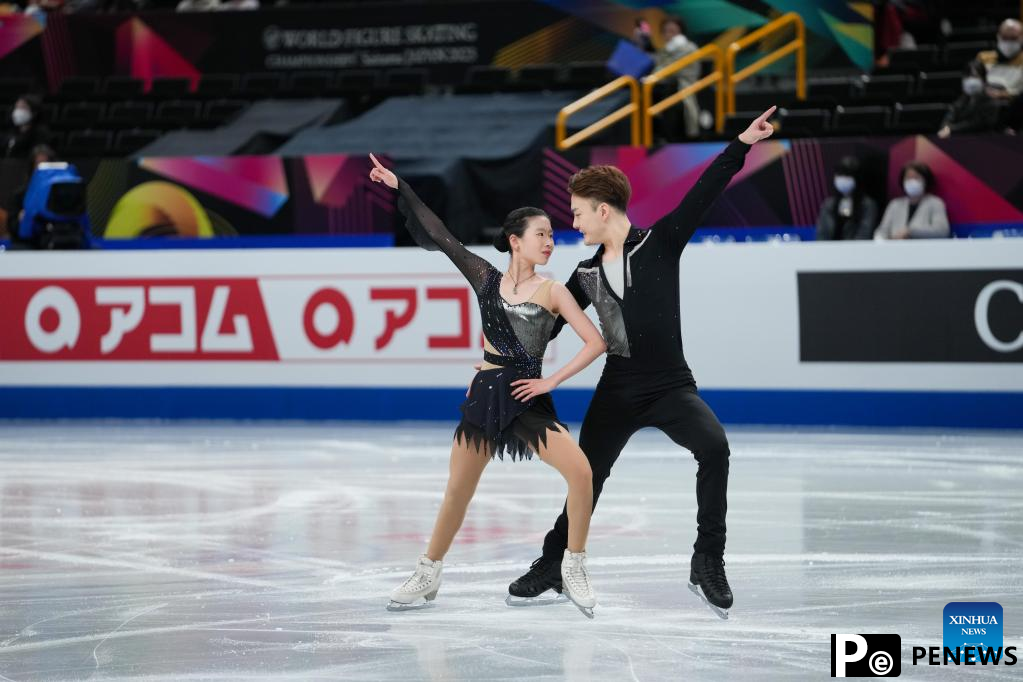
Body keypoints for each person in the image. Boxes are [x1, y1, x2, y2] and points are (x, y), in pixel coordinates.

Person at [505, 108, 777, 620]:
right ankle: (552, 563)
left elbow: (705, 190)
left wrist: (741, 143)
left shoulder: (660, 243)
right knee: (586, 475)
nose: (573, 222)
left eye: (579, 212)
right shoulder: (584, 273)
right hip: (619, 389)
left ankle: (707, 560)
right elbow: (551, 324)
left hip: (671, 385)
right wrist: (508, 354)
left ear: (603, 211)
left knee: (714, 447)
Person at [367, 154, 607, 617]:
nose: (551, 243)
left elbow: (596, 341)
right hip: (484, 394)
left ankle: (573, 565)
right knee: (458, 489)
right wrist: (400, 185)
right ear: (516, 241)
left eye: (553, 236)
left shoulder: (553, 290)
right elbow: (440, 234)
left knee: (580, 473)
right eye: (542, 234)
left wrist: (550, 380)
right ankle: (428, 572)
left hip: (525, 396)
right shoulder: (486, 279)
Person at [652, 16, 700, 140]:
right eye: (666, 31)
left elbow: (666, 71)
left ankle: (670, 138)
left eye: (673, 31)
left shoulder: (689, 48)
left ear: (681, 32)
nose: (669, 35)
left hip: (683, 87)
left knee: (670, 99)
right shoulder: (665, 50)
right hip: (664, 86)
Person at [874, 161, 950, 239]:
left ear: (925, 180)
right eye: (908, 178)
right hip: (895, 249)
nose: (912, 181)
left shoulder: (935, 203)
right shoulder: (895, 205)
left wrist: (911, 232)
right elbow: (882, 231)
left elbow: (942, 231)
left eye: (916, 177)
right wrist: (881, 240)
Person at [816, 156, 879, 241]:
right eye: (839, 175)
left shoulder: (868, 205)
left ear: (856, 178)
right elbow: (821, 234)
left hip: (857, 251)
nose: (842, 179)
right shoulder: (829, 204)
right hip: (830, 251)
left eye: (847, 175)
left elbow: (865, 234)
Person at [938, 61, 1001, 138]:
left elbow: (975, 124)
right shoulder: (962, 100)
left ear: (983, 80)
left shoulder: (990, 103)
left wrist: (951, 129)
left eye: (974, 76)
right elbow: (950, 115)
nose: (971, 80)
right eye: (967, 76)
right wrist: (945, 127)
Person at [4, 95, 49, 159]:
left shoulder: (40, 134)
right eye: (17, 107)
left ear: (34, 112)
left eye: (23, 107)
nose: (18, 111)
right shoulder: (11, 132)